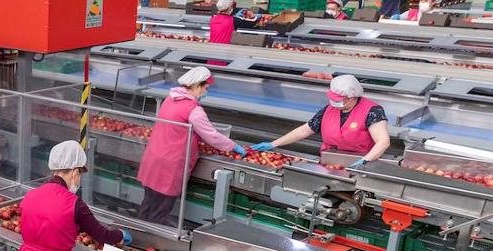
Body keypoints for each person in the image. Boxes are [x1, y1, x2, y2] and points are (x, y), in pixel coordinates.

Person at [138, 66, 245, 226]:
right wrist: (233, 146)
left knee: (148, 204)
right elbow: (212, 136)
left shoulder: (170, 99)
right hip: (170, 165)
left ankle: (137, 232)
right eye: (205, 88)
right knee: (160, 210)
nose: (206, 92)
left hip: (154, 158)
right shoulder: (194, 110)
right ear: (196, 86)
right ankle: (151, 241)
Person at [249, 74, 390, 169]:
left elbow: (383, 141)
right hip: (330, 161)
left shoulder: (372, 111)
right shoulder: (329, 109)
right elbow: (305, 130)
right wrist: (273, 144)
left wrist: (365, 161)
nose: (334, 102)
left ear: (352, 96)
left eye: (338, 99)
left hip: (361, 164)